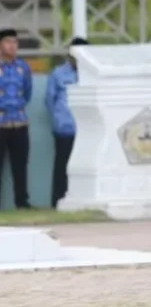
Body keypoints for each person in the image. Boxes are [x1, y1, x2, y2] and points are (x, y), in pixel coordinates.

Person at [45, 36, 87, 208]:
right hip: (65, 128)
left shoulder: (93, 74)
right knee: (62, 167)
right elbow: (49, 100)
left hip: (87, 130)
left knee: (84, 167)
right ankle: (57, 201)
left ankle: (83, 202)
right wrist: (59, 118)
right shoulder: (58, 73)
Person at [0, 28, 32, 209]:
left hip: (19, 122)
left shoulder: (23, 67)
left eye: (15, 42)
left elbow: (27, 93)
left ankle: (22, 202)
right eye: (7, 42)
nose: (12, 46)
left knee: (20, 165)